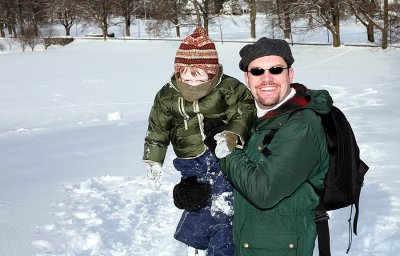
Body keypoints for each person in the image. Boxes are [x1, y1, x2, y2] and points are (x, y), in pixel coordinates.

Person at [175, 37, 333, 255]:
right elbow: (232, 172)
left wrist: (223, 147)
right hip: (238, 244)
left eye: (276, 69)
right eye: (258, 71)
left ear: (290, 73)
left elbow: (263, 190)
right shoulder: (246, 118)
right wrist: (194, 187)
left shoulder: (302, 126)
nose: (267, 79)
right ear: (247, 78)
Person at [142, 27, 256, 256]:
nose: (191, 80)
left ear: (212, 72)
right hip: (189, 161)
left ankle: (221, 249)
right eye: (185, 73)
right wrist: (153, 159)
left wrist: (232, 134)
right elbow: (157, 128)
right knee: (198, 201)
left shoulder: (227, 87)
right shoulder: (167, 94)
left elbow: (244, 109)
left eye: (198, 74)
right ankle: (195, 245)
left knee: (223, 207)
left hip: (220, 154)